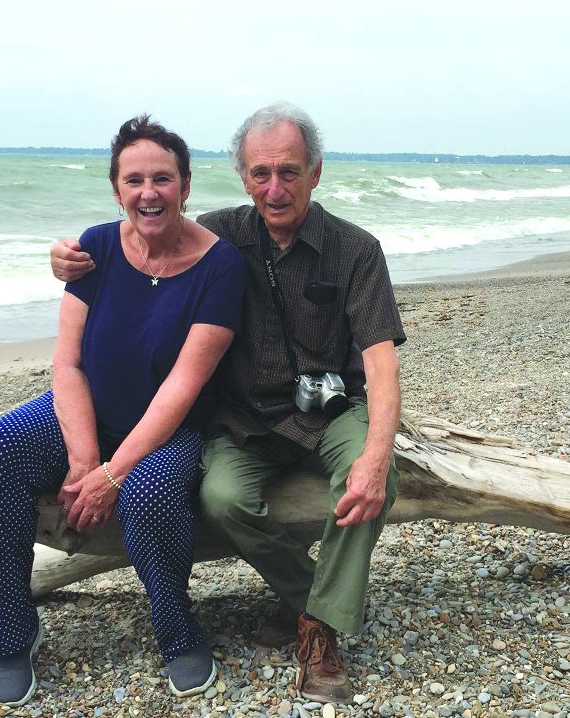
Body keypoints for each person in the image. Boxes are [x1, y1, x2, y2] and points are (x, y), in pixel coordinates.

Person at [51, 102, 405, 703]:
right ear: (243, 177)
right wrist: (69, 259)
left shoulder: (356, 250)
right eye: (260, 173)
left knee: (373, 480)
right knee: (222, 498)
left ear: (316, 173)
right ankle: (315, 597)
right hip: (245, 419)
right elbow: (144, 229)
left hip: (334, 408)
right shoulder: (220, 237)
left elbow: (380, 361)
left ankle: (317, 631)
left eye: (289, 172)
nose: (274, 188)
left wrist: (375, 457)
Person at [0, 115, 246, 706]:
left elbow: (183, 386)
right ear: (117, 189)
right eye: (135, 180)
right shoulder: (93, 249)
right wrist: (84, 458)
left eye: (163, 179)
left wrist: (111, 475)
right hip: (86, 414)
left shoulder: (222, 268)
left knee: (146, 496)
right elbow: (67, 365)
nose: (150, 193)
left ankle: (175, 627)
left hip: (169, 429)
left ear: (187, 185)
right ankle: (15, 629)